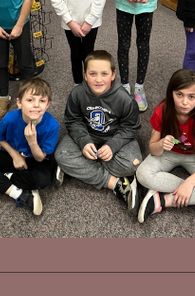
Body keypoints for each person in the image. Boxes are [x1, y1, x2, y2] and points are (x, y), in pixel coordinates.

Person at [135, 69, 195, 227]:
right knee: (142, 174)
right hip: (167, 153)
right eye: (179, 94)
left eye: (191, 96)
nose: (185, 102)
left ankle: (163, 200)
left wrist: (190, 183)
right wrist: (160, 144)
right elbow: (153, 149)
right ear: (171, 93)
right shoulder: (163, 110)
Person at [55, 50, 142, 209]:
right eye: (93, 74)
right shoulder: (77, 93)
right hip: (88, 135)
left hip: (115, 137)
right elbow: (72, 121)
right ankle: (115, 183)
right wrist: (84, 142)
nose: (99, 79)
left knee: (134, 164)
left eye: (104, 73)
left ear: (113, 75)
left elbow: (131, 127)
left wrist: (113, 145)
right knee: (61, 156)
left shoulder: (126, 99)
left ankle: (81, 167)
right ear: (85, 75)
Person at [0, 77, 59, 217]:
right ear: (19, 103)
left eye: (42, 101)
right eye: (30, 100)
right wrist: (15, 155)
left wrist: (32, 142)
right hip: (11, 153)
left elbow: (41, 158)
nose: (36, 105)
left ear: (48, 105)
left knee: (43, 180)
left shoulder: (52, 126)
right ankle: (20, 193)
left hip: (35, 158)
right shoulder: (10, 118)